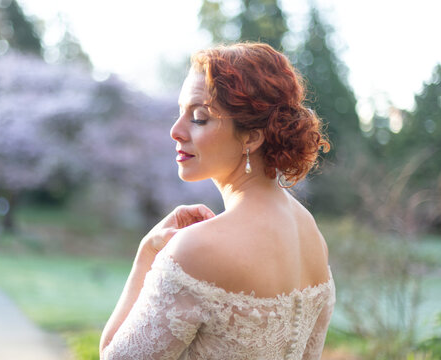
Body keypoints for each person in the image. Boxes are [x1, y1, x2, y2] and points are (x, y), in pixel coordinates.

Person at [99, 42, 335, 360]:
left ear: (251, 136)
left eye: (198, 118)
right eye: (179, 113)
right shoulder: (311, 235)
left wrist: (147, 255)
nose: (175, 131)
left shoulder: (196, 248)